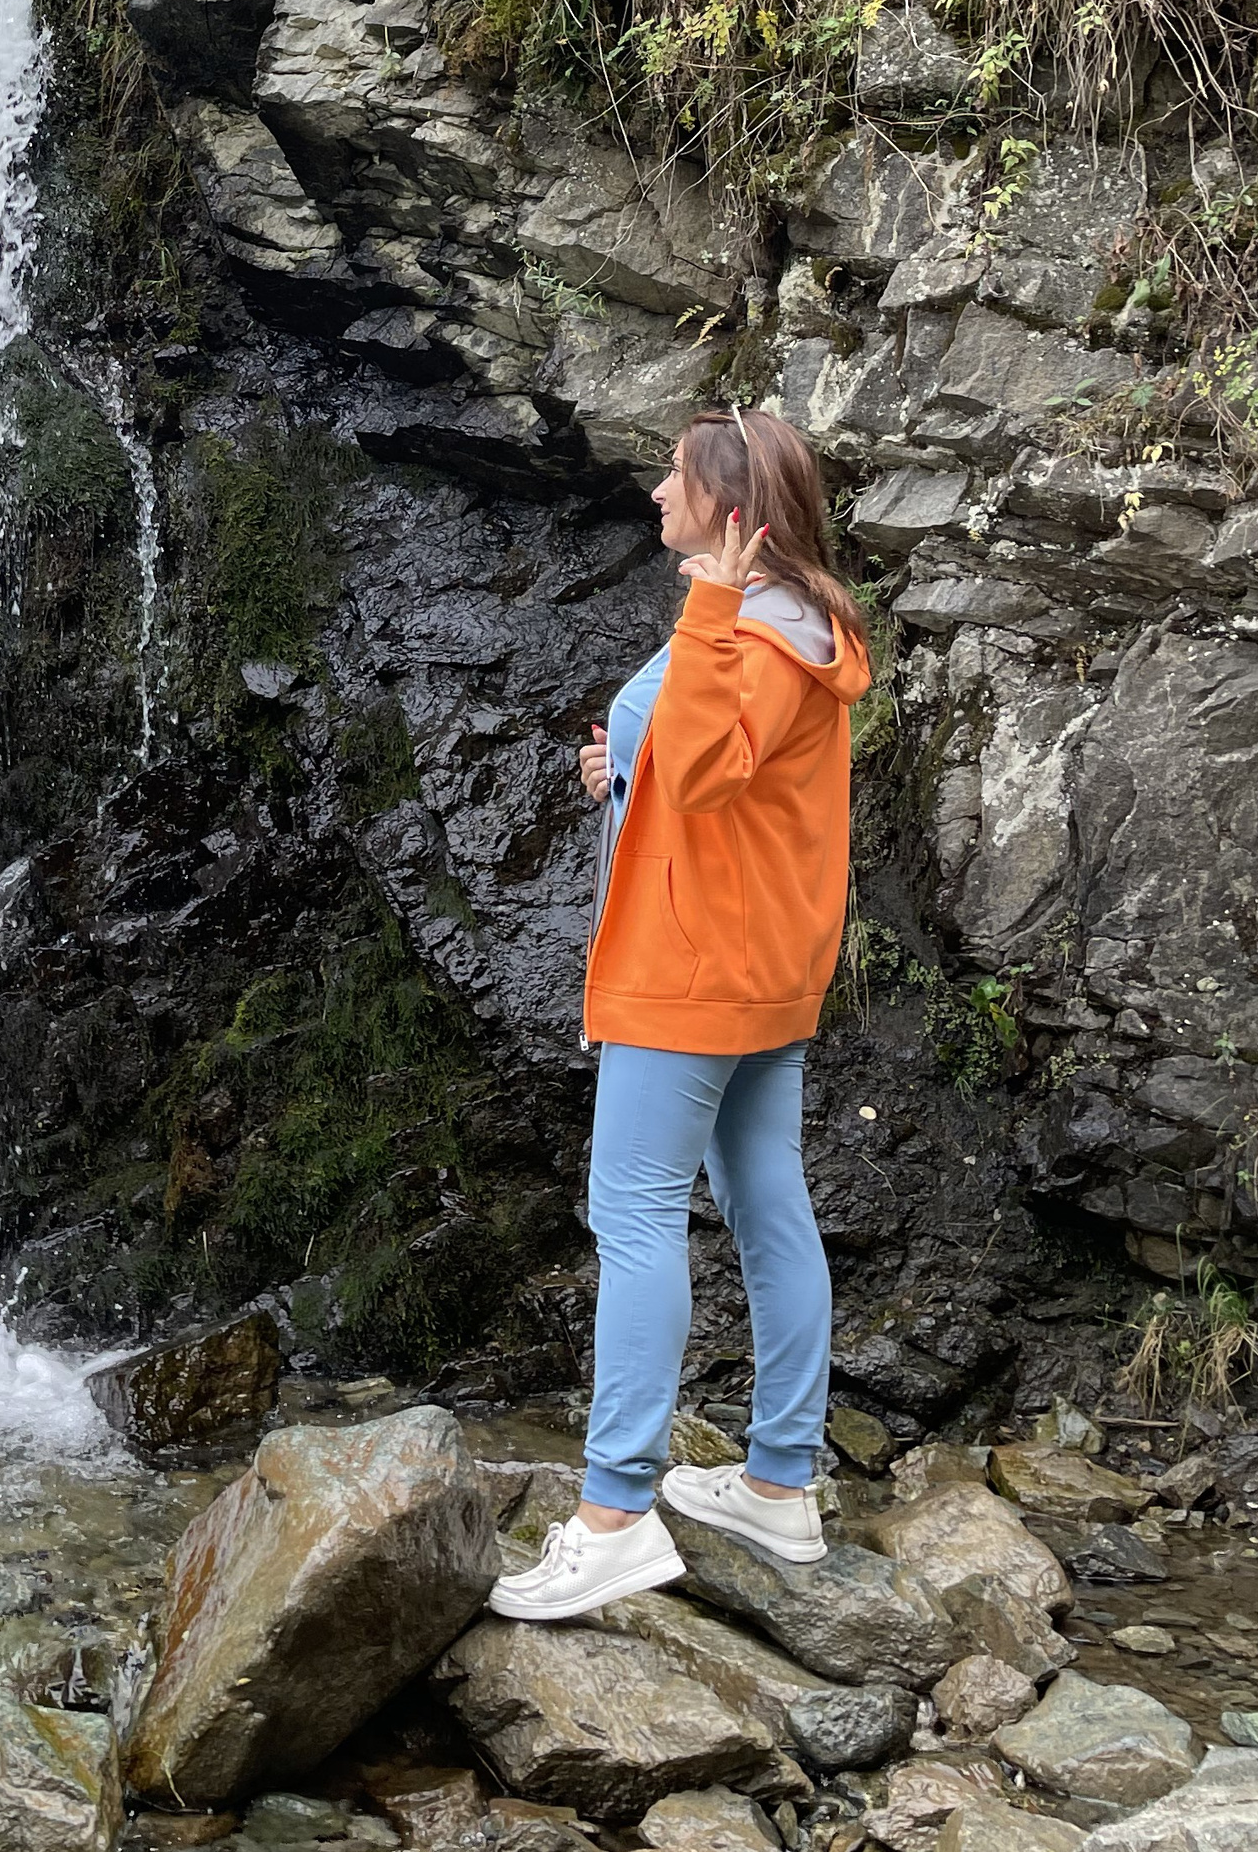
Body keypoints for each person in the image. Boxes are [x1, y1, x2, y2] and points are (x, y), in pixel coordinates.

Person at [490, 404, 873, 1621]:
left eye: (673, 480)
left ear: (729, 513)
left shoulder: (748, 628)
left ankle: (612, 1516)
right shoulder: (798, 624)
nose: (655, 492)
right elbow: (716, 775)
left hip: (692, 966)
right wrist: (627, 771)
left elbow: (711, 765)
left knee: (633, 1212)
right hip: (761, 960)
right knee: (764, 1196)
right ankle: (777, 1481)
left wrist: (704, 613)